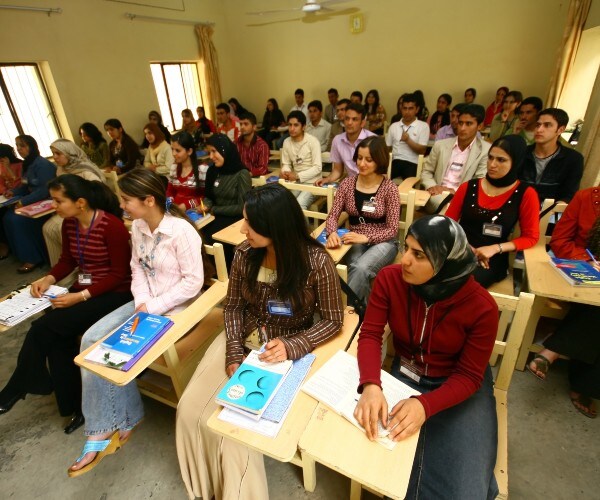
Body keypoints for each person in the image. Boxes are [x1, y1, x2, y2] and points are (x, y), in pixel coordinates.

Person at [176, 183, 344, 500]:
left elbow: (334, 320)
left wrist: (294, 345)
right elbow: (233, 306)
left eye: (250, 224)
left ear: (276, 227)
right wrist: (233, 351)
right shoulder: (244, 253)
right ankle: (204, 488)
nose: (242, 229)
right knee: (188, 409)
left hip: (284, 349)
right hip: (242, 336)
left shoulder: (316, 262)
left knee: (233, 432)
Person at [68, 168, 206, 476]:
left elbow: (193, 283)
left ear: (149, 200)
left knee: (115, 350)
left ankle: (103, 429)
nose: (122, 206)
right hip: (145, 303)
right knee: (90, 341)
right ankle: (122, 417)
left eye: (126, 200)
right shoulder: (139, 226)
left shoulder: (181, 231)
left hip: (177, 308)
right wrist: (142, 302)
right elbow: (138, 269)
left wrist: (152, 307)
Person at [355, 215, 499, 499]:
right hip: (407, 373)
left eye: (419, 254)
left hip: (459, 384)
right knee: (394, 468)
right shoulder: (390, 279)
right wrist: (370, 384)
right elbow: (370, 334)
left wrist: (425, 405)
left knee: (465, 487)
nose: (405, 260)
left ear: (447, 261)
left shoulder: (482, 307)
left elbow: (470, 376)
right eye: (406, 248)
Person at [0, 174, 132, 434]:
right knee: (57, 338)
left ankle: (19, 385)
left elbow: (119, 274)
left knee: (43, 328)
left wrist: (79, 297)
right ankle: (76, 407)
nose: (54, 206)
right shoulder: (69, 224)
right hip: (84, 288)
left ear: (80, 203)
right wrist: (48, 279)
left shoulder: (112, 226)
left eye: (59, 201)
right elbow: (68, 260)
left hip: (114, 294)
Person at [528, 186, 600, 418]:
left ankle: (553, 348)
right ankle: (583, 386)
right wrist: (588, 262)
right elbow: (560, 239)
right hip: (579, 270)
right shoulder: (586, 197)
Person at [445, 135, 540, 287]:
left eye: (501, 160)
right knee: (431, 271)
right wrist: (465, 247)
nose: (492, 164)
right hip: (459, 248)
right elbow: (448, 223)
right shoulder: (469, 187)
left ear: (516, 162)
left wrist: (495, 248)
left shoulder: (526, 194)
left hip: (492, 257)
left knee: (462, 283)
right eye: (490, 158)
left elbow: (531, 237)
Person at [325, 136, 400, 301]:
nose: (362, 163)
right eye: (359, 158)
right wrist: (332, 233)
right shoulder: (347, 184)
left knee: (360, 268)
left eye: (369, 160)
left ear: (379, 161)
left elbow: (393, 229)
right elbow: (332, 216)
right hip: (354, 239)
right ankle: (362, 309)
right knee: (356, 267)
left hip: (384, 242)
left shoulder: (390, 189)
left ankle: (347, 308)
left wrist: (367, 237)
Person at [43, 139, 105, 267]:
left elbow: (99, 194)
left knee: (61, 227)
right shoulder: (61, 170)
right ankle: (61, 268)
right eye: (53, 153)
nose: (55, 157)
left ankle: (79, 264)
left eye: (58, 153)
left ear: (69, 153)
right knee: (48, 228)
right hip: (72, 209)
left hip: (88, 209)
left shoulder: (86, 170)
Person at [421, 104, 490, 213]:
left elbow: (480, 181)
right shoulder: (441, 145)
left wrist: (456, 192)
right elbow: (426, 171)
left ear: (480, 126)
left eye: (468, 124)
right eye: (460, 123)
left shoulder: (485, 150)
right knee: (447, 206)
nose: (462, 128)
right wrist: (433, 186)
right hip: (437, 195)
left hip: (464, 197)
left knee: (454, 207)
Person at [1, 135, 56, 272]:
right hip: (33, 199)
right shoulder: (27, 164)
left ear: (32, 147)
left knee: (15, 219)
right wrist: (13, 192)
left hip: (46, 200)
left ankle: (33, 258)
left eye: (23, 146)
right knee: (8, 217)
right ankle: (23, 254)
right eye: (17, 146)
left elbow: (45, 190)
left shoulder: (43, 165)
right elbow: (26, 186)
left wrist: (23, 201)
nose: (19, 149)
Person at [202, 134, 252, 260]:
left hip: (235, 218)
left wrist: (214, 209)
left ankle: (223, 269)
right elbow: (208, 195)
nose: (211, 156)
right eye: (209, 152)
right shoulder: (212, 171)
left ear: (224, 150)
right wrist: (206, 204)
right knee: (197, 235)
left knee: (211, 239)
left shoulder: (242, 173)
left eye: (214, 151)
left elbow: (242, 207)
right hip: (213, 216)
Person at [518, 107, 584, 203]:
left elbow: (569, 196)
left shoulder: (573, 159)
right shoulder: (521, 153)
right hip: (519, 206)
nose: (539, 130)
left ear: (560, 130)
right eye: (538, 125)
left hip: (552, 209)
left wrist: (551, 209)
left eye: (547, 125)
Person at [317, 103, 375, 186]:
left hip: (371, 184)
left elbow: (381, 172)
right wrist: (327, 179)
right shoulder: (337, 140)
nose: (349, 123)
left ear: (362, 123)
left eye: (354, 119)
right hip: (351, 184)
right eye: (347, 118)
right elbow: (337, 170)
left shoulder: (373, 140)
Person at [280, 111, 322, 209]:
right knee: (284, 202)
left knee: (299, 204)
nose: (292, 128)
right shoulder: (286, 142)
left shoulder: (313, 141)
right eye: (290, 125)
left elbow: (317, 168)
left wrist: (297, 176)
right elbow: (286, 164)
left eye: (296, 125)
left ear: (303, 127)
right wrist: (285, 172)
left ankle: (301, 220)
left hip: (313, 182)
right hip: (296, 181)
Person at [386, 93, 429, 180]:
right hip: (395, 161)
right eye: (404, 108)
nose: (407, 112)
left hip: (412, 162)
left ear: (417, 109)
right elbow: (387, 148)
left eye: (410, 108)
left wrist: (408, 140)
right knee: (381, 178)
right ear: (401, 109)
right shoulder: (394, 126)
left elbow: (422, 150)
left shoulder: (423, 126)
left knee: (409, 183)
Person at [167, 132, 205, 210]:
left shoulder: (202, 169)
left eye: (177, 150)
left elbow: (206, 197)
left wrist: (186, 205)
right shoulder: (174, 168)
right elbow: (170, 192)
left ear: (189, 151)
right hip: (176, 210)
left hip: (194, 211)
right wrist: (170, 203)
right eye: (172, 149)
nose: (173, 153)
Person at [236, 112, 270, 176]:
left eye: (246, 124)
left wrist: (248, 174)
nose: (242, 127)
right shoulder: (236, 143)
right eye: (241, 124)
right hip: (239, 178)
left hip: (256, 178)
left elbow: (263, 168)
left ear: (254, 127)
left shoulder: (262, 145)